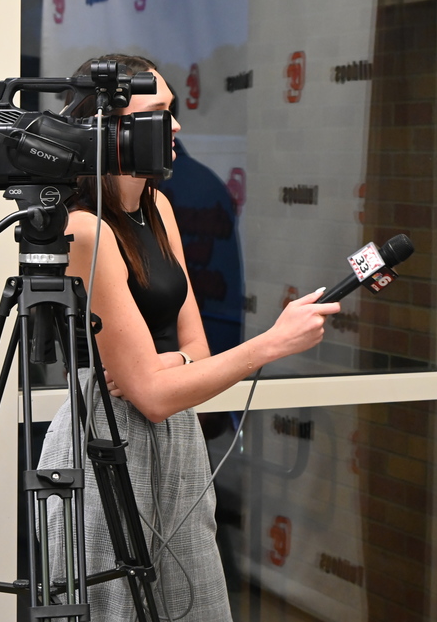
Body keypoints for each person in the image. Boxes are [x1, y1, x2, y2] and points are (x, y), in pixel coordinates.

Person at [37, 53, 340, 622]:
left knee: (192, 600)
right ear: (112, 127)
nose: (176, 128)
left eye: (174, 112)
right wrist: (270, 343)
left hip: (177, 437)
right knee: (117, 607)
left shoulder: (159, 206)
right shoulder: (83, 228)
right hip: (108, 435)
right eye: (158, 114)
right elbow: (146, 395)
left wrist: (162, 365)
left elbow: (193, 353)